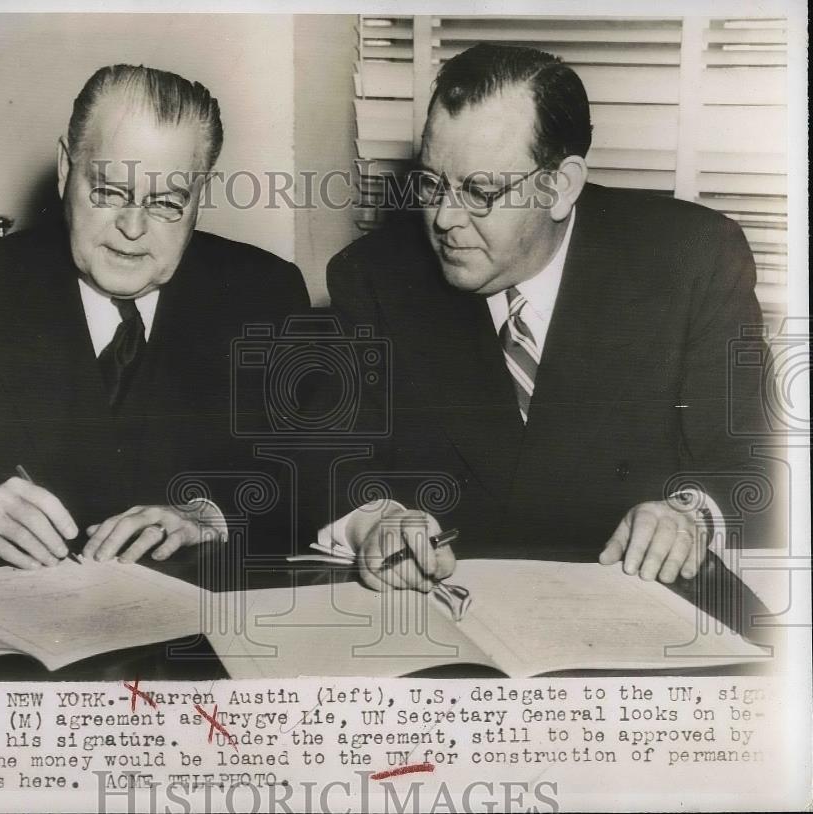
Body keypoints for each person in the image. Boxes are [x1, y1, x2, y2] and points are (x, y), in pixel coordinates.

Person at [322, 43, 779, 592]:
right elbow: (327, 460)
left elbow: (751, 459)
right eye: (430, 182)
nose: (443, 218)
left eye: (480, 191)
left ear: (560, 186)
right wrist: (375, 519)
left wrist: (693, 515)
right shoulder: (372, 277)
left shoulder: (694, 258)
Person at [0, 64, 309, 568]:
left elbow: (317, 478)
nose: (132, 227)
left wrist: (210, 514)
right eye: (107, 192)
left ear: (201, 196)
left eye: (167, 201)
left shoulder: (265, 294)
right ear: (66, 169)